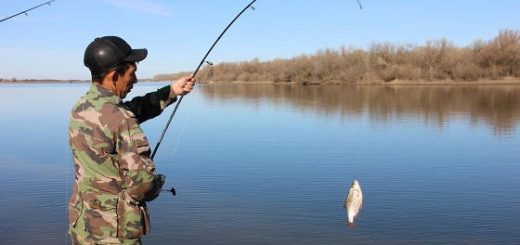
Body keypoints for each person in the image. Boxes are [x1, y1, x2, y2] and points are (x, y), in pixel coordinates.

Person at [68, 36, 196, 244]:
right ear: (114, 76)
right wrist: (158, 182)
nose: (135, 80)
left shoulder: (81, 107)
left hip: (82, 225)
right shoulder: (121, 119)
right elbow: (141, 184)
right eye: (132, 73)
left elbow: (132, 110)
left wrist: (172, 91)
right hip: (114, 233)